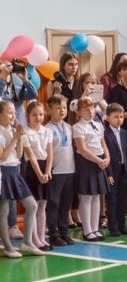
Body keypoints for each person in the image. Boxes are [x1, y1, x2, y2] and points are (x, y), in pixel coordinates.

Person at [0, 101, 43, 258]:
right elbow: (3, 156)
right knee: (3, 211)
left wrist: (18, 139)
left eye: (13, 112)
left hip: (15, 171)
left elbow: (18, 155)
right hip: (3, 173)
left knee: (31, 205)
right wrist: (15, 138)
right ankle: (8, 247)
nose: (13, 116)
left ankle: (27, 242)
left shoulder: (12, 130)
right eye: (9, 112)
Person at [72, 97, 110, 243]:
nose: (90, 111)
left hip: (99, 162)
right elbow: (82, 148)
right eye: (86, 109)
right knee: (86, 197)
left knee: (96, 196)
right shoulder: (77, 127)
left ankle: (95, 229)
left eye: (92, 108)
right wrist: (99, 160)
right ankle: (87, 230)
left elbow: (103, 144)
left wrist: (107, 158)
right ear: (79, 112)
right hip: (86, 162)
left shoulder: (98, 124)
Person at [21, 101, 52, 251]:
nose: (38, 117)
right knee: (33, 206)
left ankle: (41, 237)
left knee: (43, 205)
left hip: (45, 167)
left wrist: (47, 172)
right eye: (34, 115)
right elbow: (31, 156)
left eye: (40, 114)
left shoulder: (47, 131)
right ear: (28, 116)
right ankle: (33, 239)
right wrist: (39, 174)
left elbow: (50, 153)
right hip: (32, 170)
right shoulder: (25, 132)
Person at [45, 96, 75, 247]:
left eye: (64, 107)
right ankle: (53, 233)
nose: (62, 110)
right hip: (56, 171)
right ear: (49, 110)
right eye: (58, 108)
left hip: (70, 170)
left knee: (65, 204)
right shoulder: (47, 129)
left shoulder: (69, 127)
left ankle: (64, 231)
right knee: (54, 203)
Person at [102, 103, 127, 237]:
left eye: (121, 117)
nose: (119, 119)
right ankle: (113, 227)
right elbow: (105, 154)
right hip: (112, 172)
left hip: (124, 171)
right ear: (108, 118)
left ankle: (122, 225)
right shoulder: (105, 134)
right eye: (115, 117)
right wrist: (108, 173)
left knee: (123, 199)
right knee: (112, 200)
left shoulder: (125, 133)